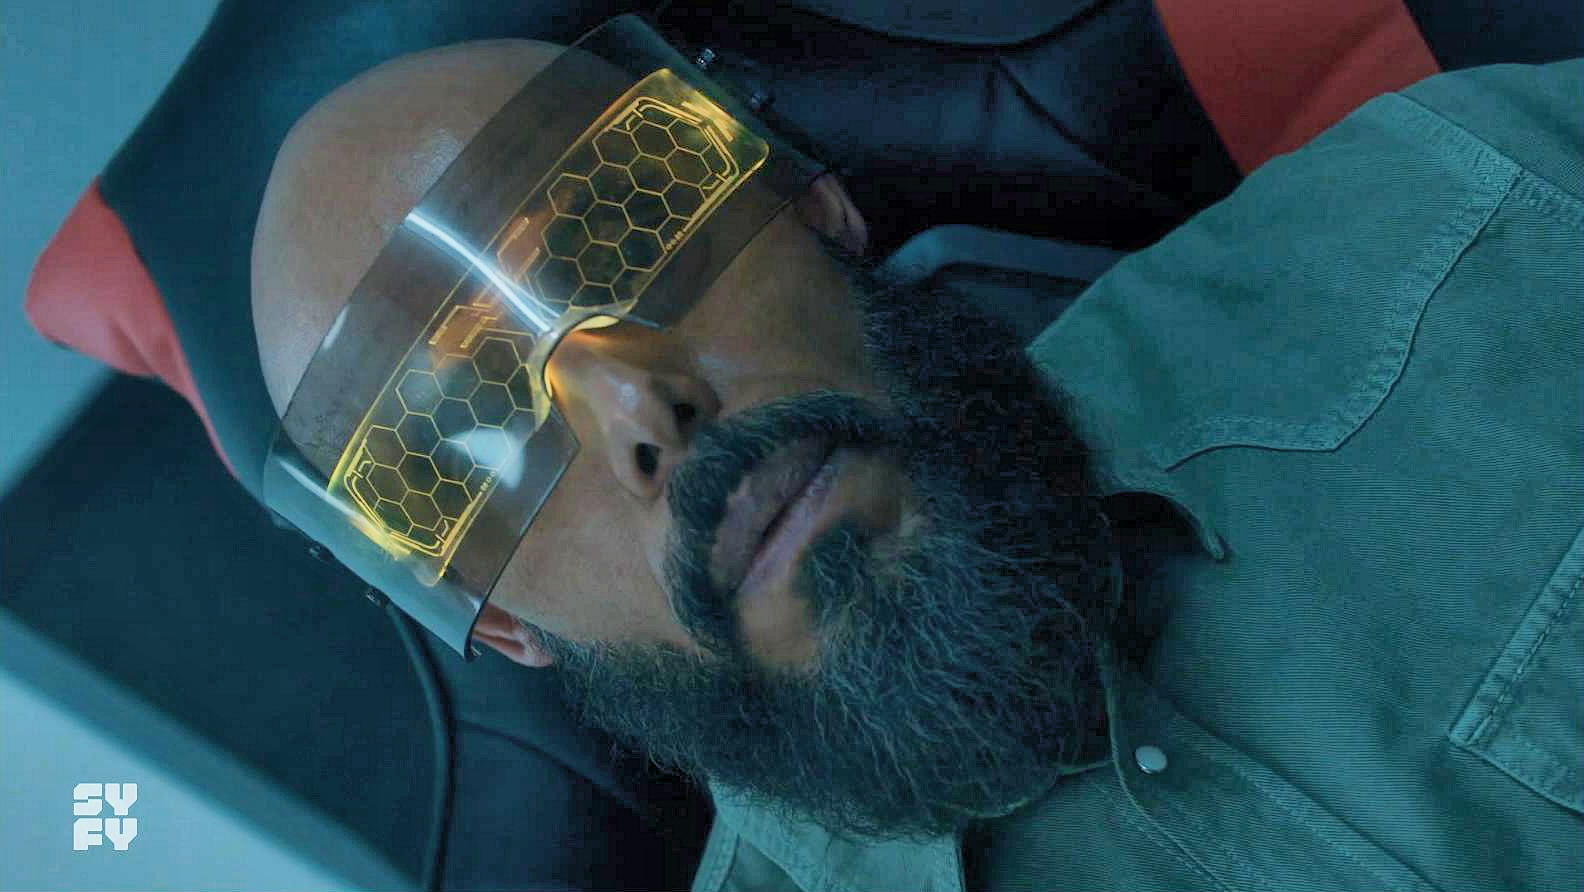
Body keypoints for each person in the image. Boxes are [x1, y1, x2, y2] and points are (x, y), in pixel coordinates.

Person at [252, 40, 1583, 892]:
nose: (640, 406)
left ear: (806, 197)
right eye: (464, 421)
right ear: (497, 620)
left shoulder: (1484, 217)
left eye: (624, 237)